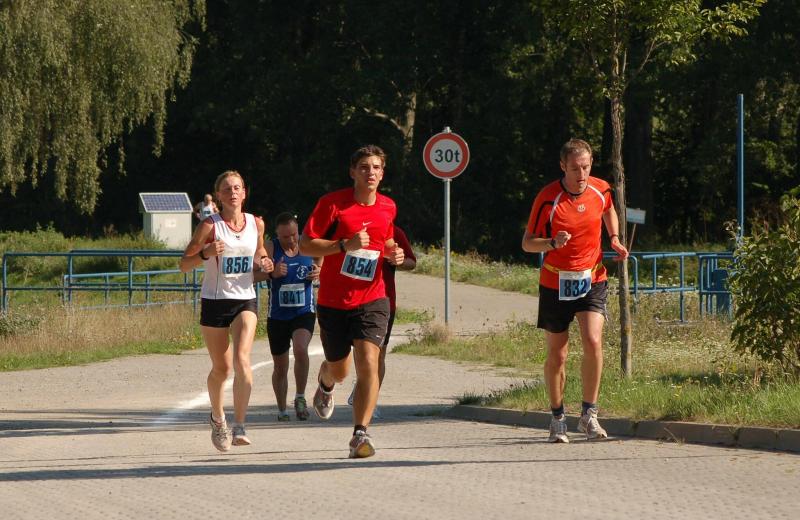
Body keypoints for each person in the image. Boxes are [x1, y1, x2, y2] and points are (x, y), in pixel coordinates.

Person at [299, 144, 404, 459]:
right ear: (353, 172)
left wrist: (394, 252)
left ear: (382, 174)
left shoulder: (388, 206)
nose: (371, 172)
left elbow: (386, 239)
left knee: (369, 361)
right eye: (364, 167)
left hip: (373, 296)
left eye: (376, 167)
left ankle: (360, 434)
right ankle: (326, 380)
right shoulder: (332, 204)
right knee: (341, 370)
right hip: (334, 300)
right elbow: (306, 245)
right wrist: (344, 245)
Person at [521, 138, 628, 443]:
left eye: (586, 167)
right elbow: (527, 243)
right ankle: (557, 418)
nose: (581, 174)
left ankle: (589, 415)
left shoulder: (600, 189)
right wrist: (552, 243)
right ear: (562, 167)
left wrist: (614, 238)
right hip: (555, 282)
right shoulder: (548, 198)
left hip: (592, 278)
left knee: (593, 341)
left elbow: (608, 209)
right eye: (575, 168)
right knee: (558, 353)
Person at [180, 170, 273, 452]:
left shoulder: (256, 223)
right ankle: (218, 418)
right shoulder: (209, 226)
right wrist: (206, 254)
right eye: (227, 188)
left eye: (237, 187)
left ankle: (240, 425)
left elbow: (259, 251)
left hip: (245, 299)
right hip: (215, 300)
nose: (233, 192)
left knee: (242, 358)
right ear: (219, 196)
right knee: (222, 369)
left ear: (244, 193)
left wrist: (265, 261)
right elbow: (184, 264)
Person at [254, 212, 320, 422]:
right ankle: (282, 409)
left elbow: (322, 259)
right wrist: (271, 274)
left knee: (301, 349)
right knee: (280, 366)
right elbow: (252, 275)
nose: (291, 240)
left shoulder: (308, 243)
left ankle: (300, 397)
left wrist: (318, 271)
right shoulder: (270, 248)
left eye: (293, 234)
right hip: (278, 316)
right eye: (285, 237)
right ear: (277, 235)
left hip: (303, 312)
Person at [347, 226, 416, 417]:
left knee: (379, 353)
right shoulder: (352, 228)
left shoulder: (395, 232)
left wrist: (398, 260)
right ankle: (362, 387)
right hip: (353, 299)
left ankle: (370, 399)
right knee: (359, 351)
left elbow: (411, 262)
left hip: (384, 301)